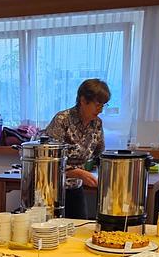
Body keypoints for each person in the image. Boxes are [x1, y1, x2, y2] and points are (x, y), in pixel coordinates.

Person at [44, 79, 110, 218]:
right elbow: (49, 160)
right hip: (53, 188)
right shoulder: (62, 119)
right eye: (97, 104)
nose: (100, 110)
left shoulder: (97, 124)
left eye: (103, 105)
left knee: (80, 227)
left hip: (75, 187)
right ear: (83, 100)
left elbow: (99, 154)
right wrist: (78, 173)